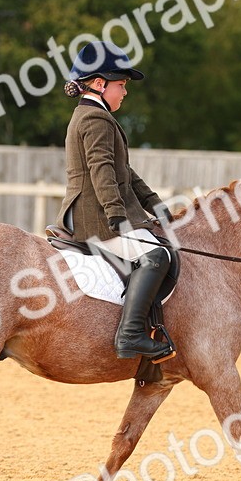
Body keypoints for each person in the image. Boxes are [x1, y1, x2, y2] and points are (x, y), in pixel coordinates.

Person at [54, 41, 173, 361]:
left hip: (99, 208)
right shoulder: (95, 119)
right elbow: (101, 172)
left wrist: (154, 203)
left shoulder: (95, 115)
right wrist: (116, 216)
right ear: (98, 83)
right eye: (121, 84)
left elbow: (124, 171)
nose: (124, 91)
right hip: (92, 213)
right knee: (156, 256)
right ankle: (131, 334)